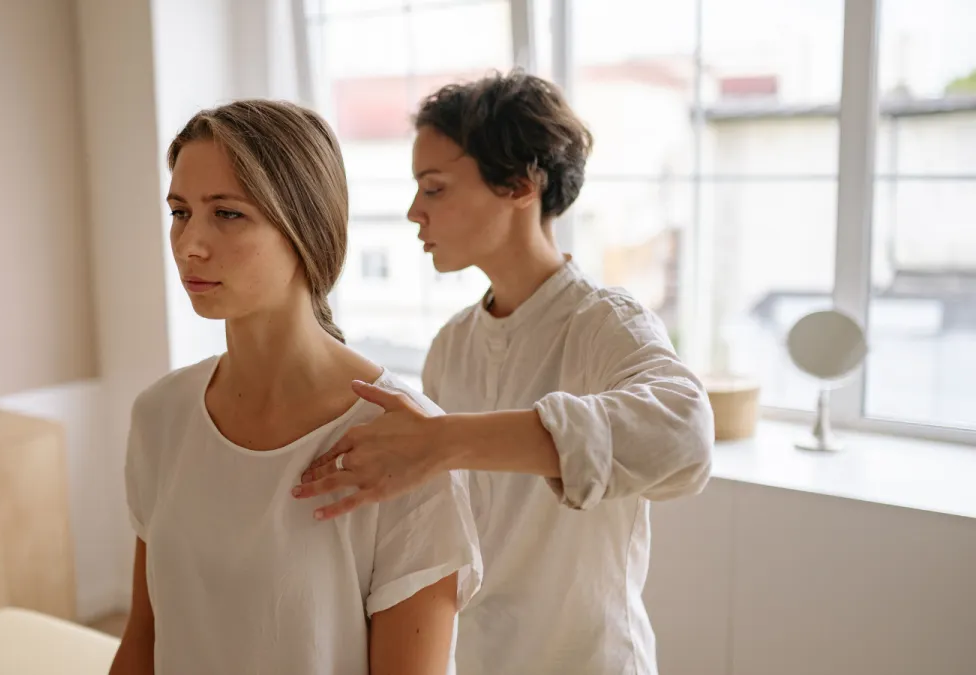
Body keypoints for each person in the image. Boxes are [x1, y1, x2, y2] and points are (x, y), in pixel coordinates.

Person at [295, 71, 715, 674]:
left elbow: (686, 436)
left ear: (521, 183)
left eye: (434, 188)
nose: (414, 212)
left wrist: (445, 441)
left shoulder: (606, 324)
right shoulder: (452, 346)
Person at [110, 100, 482, 675]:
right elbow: (144, 637)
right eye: (180, 212)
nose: (189, 244)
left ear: (305, 225)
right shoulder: (160, 415)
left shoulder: (402, 444)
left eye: (227, 214)